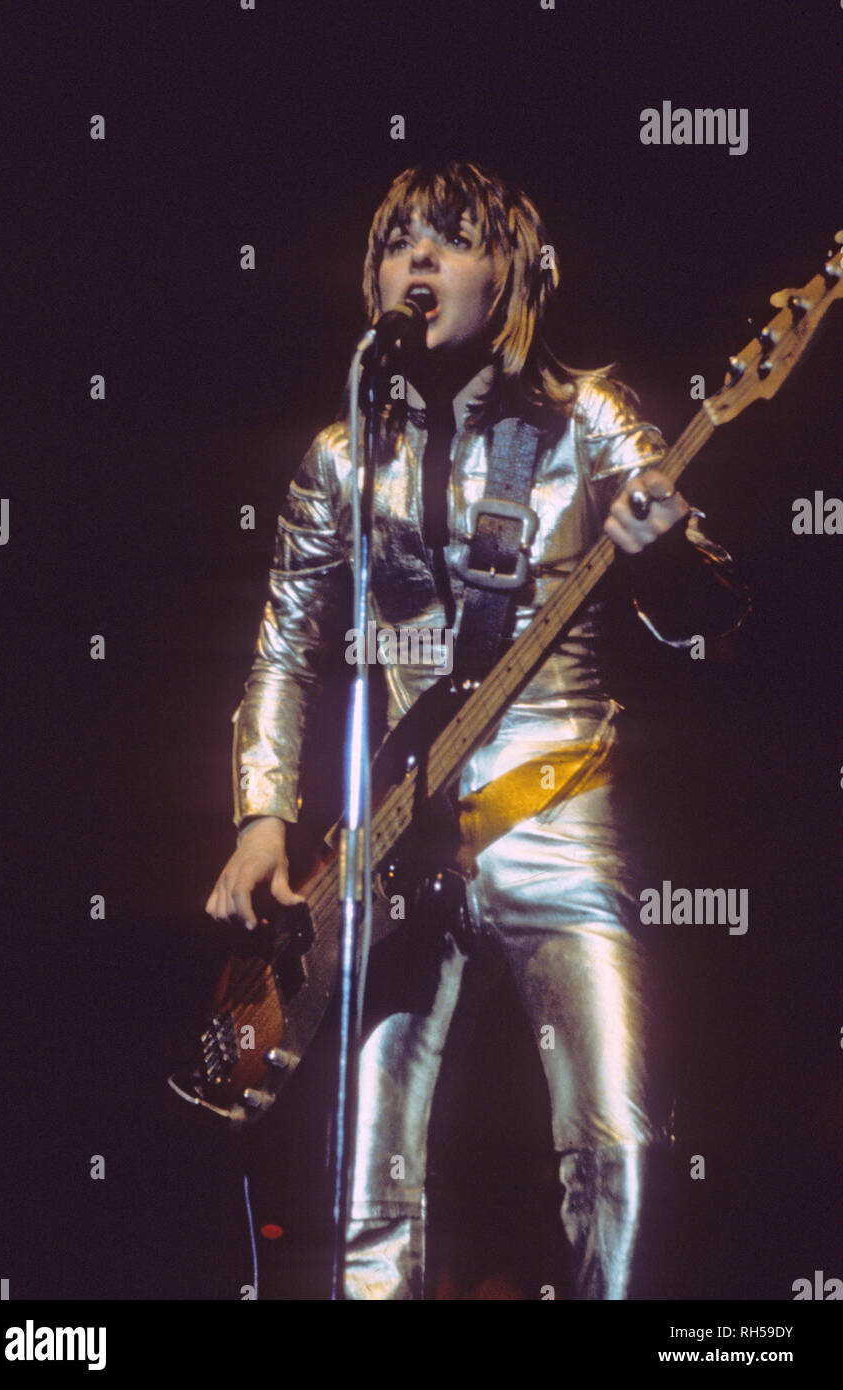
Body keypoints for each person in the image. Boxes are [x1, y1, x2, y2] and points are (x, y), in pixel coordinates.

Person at [205, 159, 749, 1299]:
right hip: (396, 841)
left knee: (619, 1144)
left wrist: (669, 556)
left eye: (450, 239)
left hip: (558, 813)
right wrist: (264, 816)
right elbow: (283, 647)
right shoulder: (341, 460)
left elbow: (707, 618)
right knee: (368, 1180)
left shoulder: (584, 423)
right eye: (398, 239)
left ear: (509, 273)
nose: (418, 256)